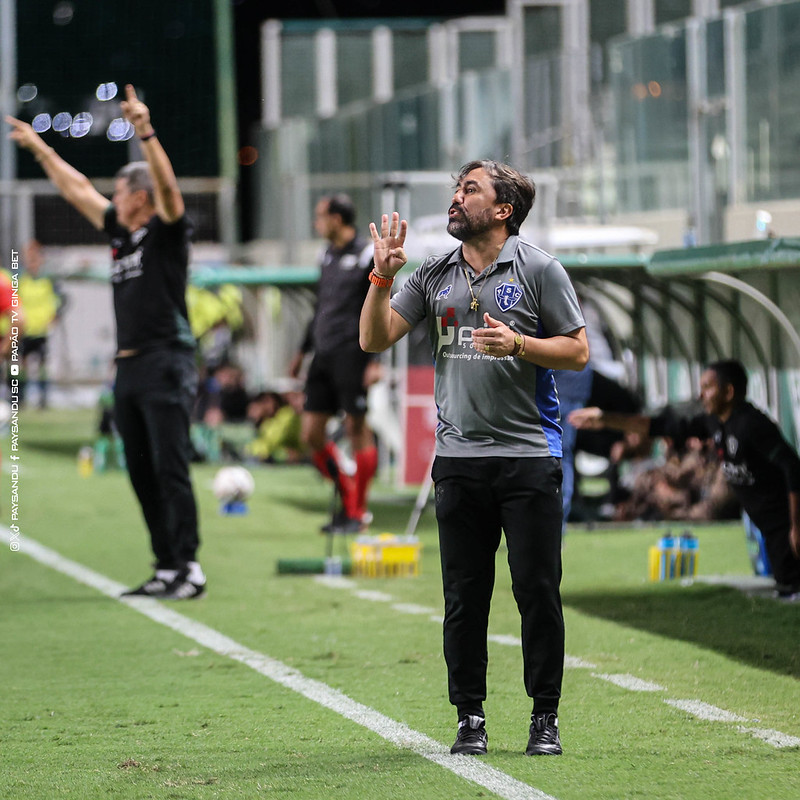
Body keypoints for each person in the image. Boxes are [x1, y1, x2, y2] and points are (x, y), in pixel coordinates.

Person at [360, 160, 589, 757]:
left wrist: (520, 343)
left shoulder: (540, 269)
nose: (455, 199)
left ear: (503, 209)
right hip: (458, 459)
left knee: (537, 590)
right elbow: (374, 339)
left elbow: (577, 351)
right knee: (464, 597)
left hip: (529, 458)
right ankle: (470, 717)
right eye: (456, 189)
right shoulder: (434, 274)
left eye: (469, 190)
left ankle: (545, 716)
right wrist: (381, 280)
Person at [6, 86, 205, 599]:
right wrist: (42, 150)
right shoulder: (121, 232)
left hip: (167, 361)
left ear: (139, 196)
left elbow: (169, 189)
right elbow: (76, 190)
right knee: (139, 469)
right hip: (130, 368)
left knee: (170, 465)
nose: (112, 199)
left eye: (119, 192)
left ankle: (189, 567)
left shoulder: (166, 230)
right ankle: (165, 565)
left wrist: (145, 131)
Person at [569, 360, 800, 597]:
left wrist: (796, 526)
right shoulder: (714, 422)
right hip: (767, 527)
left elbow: (792, 466)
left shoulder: (753, 425)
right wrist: (605, 419)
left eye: (708, 387)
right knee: (785, 587)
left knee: (791, 588)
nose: (701, 395)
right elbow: (658, 426)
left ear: (729, 392)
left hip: (785, 526)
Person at [289, 193, 381, 532]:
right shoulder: (325, 255)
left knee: (357, 428)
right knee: (311, 434)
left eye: (320, 216)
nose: (316, 223)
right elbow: (320, 309)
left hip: (353, 354)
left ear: (337, 219)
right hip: (323, 355)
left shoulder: (367, 254)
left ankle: (357, 511)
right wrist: (301, 352)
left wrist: (376, 360)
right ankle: (347, 495)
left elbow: (380, 307)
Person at [17, 239, 65, 408]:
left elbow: (61, 300)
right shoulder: (21, 279)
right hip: (25, 329)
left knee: (43, 364)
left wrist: (54, 318)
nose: (32, 262)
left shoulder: (48, 279)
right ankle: (20, 398)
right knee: (21, 364)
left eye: (34, 258)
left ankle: (43, 399)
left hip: (43, 330)